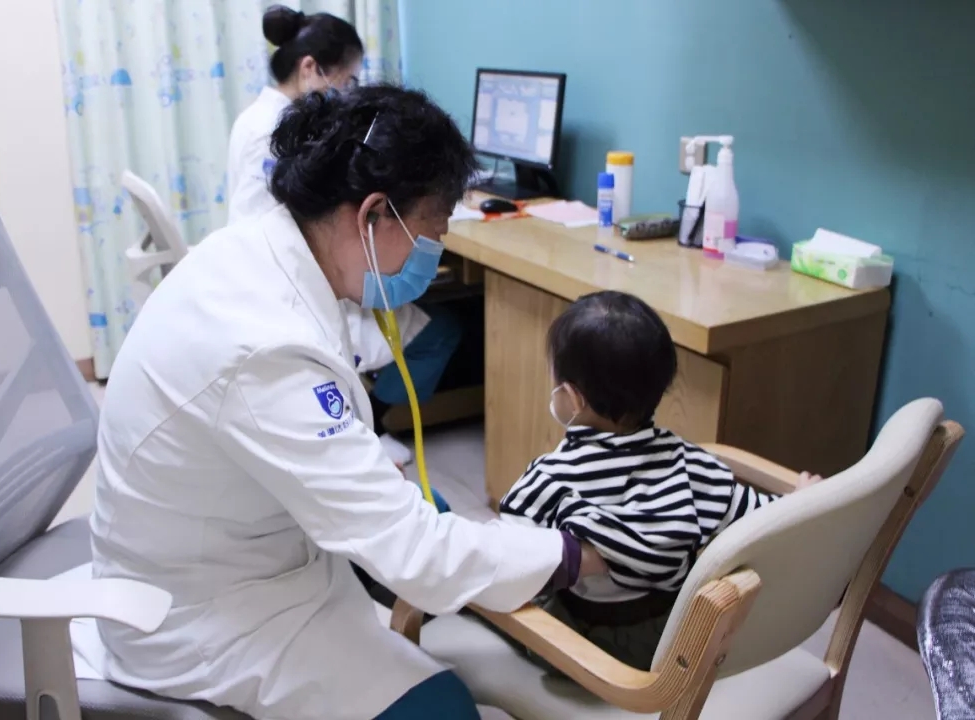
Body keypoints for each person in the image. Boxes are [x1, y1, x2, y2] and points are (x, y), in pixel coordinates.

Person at [89, 85, 608, 720]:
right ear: (373, 214)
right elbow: (416, 552)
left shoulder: (262, 251)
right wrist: (574, 556)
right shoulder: (264, 345)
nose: (433, 254)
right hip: (201, 613)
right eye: (432, 234)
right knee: (444, 710)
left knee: (431, 509)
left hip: (235, 534)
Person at [500, 290, 823, 671]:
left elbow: (507, 556)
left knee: (501, 597)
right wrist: (802, 499)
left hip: (588, 647)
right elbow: (767, 520)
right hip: (670, 638)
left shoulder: (550, 478)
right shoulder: (694, 467)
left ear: (570, 397)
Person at [226, 4, 456, 466]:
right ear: (310, 68)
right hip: (296, 284)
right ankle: (371, 420)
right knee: (437, 327)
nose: (347, 94)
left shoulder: (259, 117)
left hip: (292, 274)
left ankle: (367, 421)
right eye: (347, 81)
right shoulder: (269, 131)